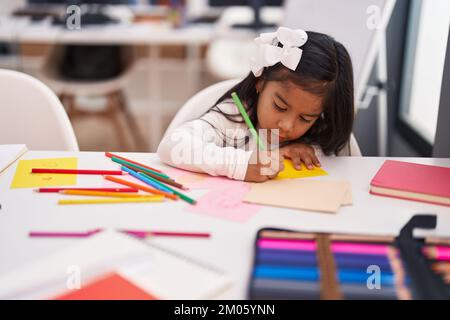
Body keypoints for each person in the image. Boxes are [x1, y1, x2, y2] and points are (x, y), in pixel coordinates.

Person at [158, 27, 355, 182]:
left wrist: (299, 152)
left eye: (305, 118)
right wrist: (239, 165)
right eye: (279, 106)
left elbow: (345, 168)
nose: (287, 126)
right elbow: (171, 146)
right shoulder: (233, 117)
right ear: (260, 82)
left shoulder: (322, 132)